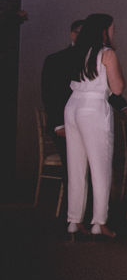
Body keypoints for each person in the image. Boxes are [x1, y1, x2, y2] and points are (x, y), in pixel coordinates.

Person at [63, 13, 126, 239]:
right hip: (94, 107)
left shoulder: (77, 52)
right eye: (112, 28)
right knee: (101, 167)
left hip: (72, 106)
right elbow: (117, 89)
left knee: (76, 167)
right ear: (104, 31)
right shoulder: (107, 53)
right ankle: (100, 222)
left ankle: (74, 220)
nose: (114, 32)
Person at [41, 18, 84, 176]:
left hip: (89, 121)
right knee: (72, 170)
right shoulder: (56, 60)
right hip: (64, 123)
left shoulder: (97, 59)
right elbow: (49, 93)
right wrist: (59, 124)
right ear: (73, 35)